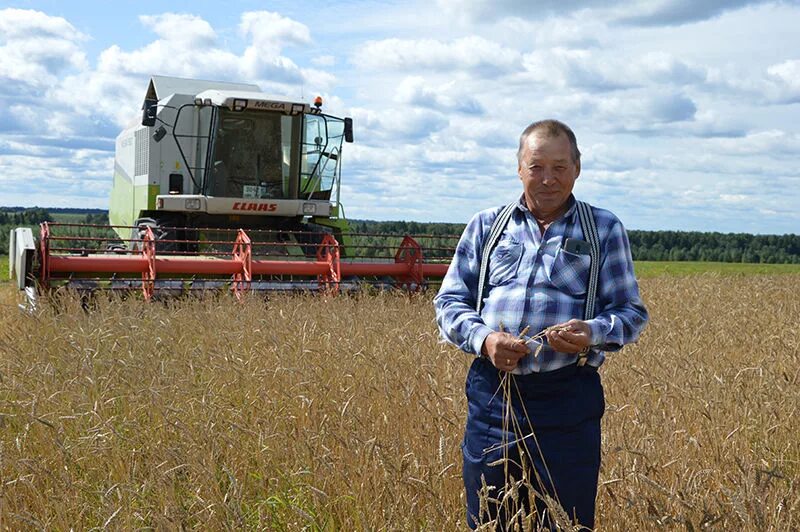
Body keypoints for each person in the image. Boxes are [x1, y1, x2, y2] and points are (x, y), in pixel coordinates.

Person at [433, 119, 648, 530]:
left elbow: (630, 312)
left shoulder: (602, 229)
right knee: (489, 519)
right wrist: (485, 340)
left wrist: (591, 334)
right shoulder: (486, 226)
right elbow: (448, 301)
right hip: (493, 398)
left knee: (564, 521)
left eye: (560, 167)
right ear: (519, 169)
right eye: (536, 167)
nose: (548, 179)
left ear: (577, 169)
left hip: (568, 397)